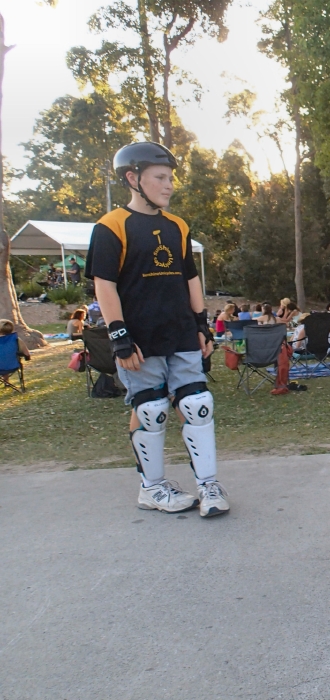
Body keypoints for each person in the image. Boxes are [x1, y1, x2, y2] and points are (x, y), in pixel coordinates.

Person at [86, 141, 228, 517]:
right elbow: (105, 285)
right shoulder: (110, 227)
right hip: (139, 339)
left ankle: (209, 487)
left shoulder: (177, 226)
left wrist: (202, 325)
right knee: (150, 409)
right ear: (133, 178)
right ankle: (151, 488)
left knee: (197, 406)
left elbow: (191, 279)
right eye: (160, 178)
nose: (168, 186)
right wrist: (119, 337)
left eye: (170, 179)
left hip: (181, 332)